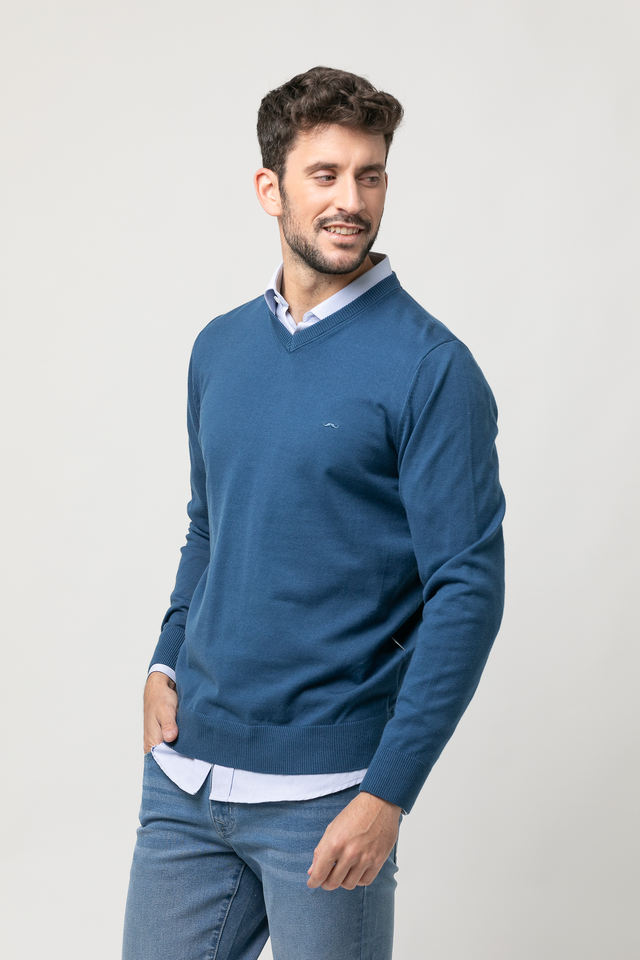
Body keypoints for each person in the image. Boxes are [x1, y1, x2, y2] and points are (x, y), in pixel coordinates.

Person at [121, 64, 506, 960]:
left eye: (370, 175)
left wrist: (389, 792)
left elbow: (467, 591)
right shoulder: (219, 347)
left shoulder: (432, 368)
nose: (351, 201)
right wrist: (165, 658)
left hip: (328, 796)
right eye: (325, 175)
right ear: (271, 188)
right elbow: (210, 526)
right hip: (186, 778)